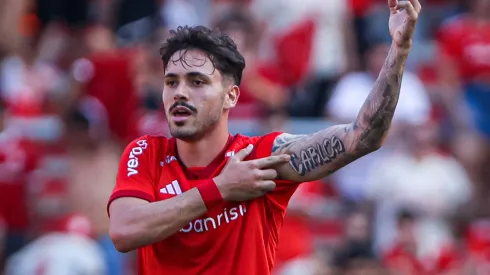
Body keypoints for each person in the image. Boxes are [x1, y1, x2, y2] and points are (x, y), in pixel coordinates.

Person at [107, 1, 422, 274]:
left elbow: (362, 137)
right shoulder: (147, 152)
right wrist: (219, 189)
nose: (180, 93)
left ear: (231, 96)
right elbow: (124, 231)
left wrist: (399, 49)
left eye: (197, 81)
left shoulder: (262, 158)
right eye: (171, 82)